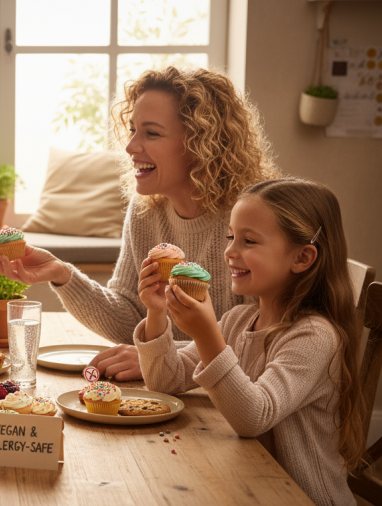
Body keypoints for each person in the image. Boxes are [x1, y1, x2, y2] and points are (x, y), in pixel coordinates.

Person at [0, 66, 280, 380]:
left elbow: (259, 340)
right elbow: (131, 316)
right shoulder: (146, 211)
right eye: (132, 130)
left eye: (151, 133)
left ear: (201, 143)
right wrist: (63, 275)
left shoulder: (250, 220)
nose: (130, 146)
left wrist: (159, 358)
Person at [134, 178, 364, 506]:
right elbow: (164, 380)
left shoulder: (314, 337)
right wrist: (157, 313)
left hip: (303, 498)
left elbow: (253, 417)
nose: (230, 251)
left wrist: (206, 335)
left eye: (249, 241)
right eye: (231, 236)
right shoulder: (238, 320)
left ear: (302, 258)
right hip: (248, 487)